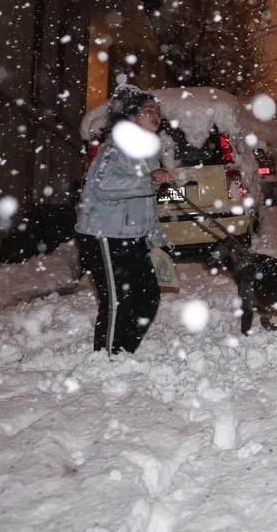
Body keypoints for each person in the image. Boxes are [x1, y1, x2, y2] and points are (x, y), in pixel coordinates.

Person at [74, 86, 171, 355]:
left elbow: (144, 199)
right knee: (118, 301)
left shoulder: (146, 153)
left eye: (157, 111)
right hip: (106, 236)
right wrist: (147, 180)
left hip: (134, 238)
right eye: (147, 111)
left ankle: (123, 352)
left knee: (148, 298)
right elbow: (105, 185)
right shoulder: (115, 149)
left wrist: (153, 234)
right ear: (130, 118)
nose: (156, 115)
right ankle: (106, 358)